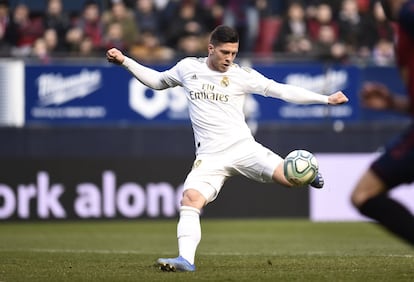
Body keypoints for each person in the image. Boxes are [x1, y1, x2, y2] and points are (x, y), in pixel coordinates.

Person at [106, 25, 349, 272]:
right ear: (210, 48)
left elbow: (282, 90)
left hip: (244, 148)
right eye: (224, 52)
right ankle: (185, 260)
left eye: (234, 53)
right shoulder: (188, 68)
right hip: (209, 157)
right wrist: (125, 61)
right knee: (190, 199)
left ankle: (308, 173)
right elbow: (157, 81)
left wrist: (325, 99)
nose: (229, 59)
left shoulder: (241, 75)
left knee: (289, 178)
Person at [351, 0, 414, 246]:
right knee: (363, 194)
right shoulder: (402, 27)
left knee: (364, 194)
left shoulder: (409, 13)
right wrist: (392, 103)